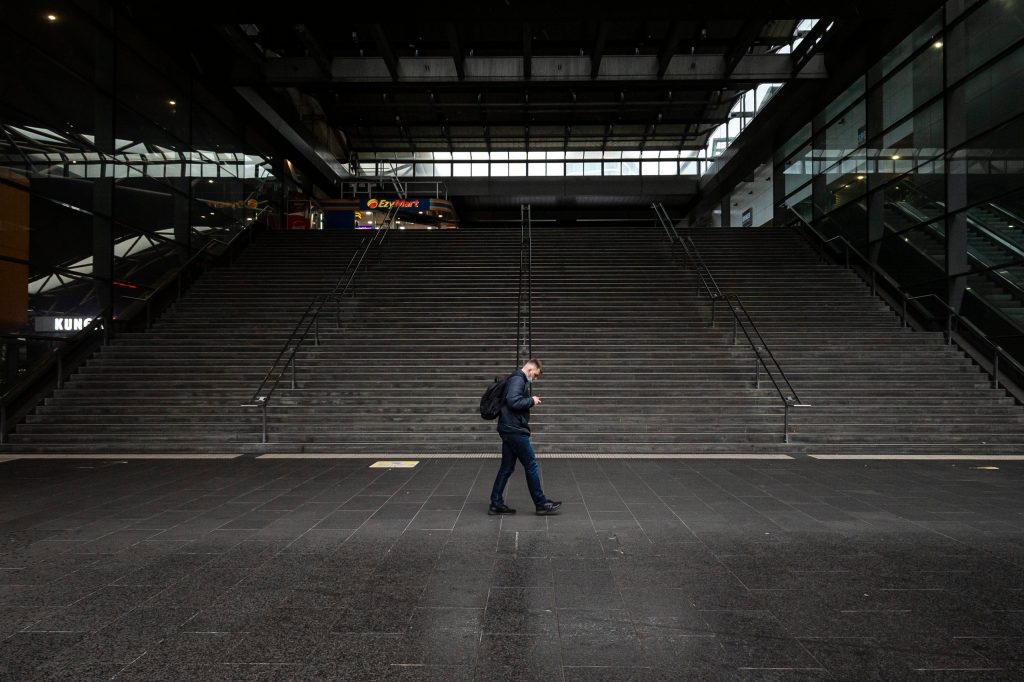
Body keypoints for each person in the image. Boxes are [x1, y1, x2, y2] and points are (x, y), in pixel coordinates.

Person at [489, 358, 562, 516]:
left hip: (509, 428)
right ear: (530, 370)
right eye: (535, 375)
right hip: (515, 430)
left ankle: (496, 503)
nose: (535, 379)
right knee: (531, 465)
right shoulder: (518, 379)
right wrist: (531, 400)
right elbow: (513, 401)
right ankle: (541, 504)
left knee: (507, 468)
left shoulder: (515, 379)